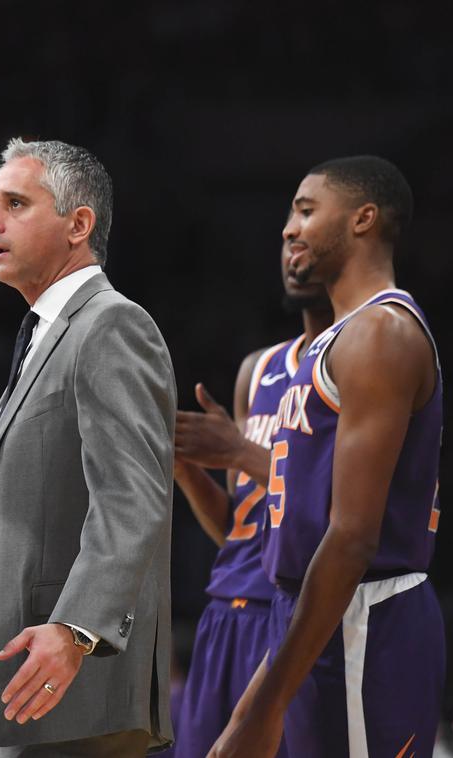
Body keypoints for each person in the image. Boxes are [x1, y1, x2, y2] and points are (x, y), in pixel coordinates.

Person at [0, 138, 175, 757]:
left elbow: (133, 501)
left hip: (77, 696)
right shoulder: (46, 335)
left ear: (78, 225)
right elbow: (15, 553)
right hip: (30, 695)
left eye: (15, 203)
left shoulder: (111, 325)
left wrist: (75, 629)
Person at [212, 156, 444, 758]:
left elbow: (350, 541)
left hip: (368, 617)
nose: (290, 227)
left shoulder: (380, 335)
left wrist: (262, 708)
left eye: (307, 209)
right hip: (312, 613)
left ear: (364, 219)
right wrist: (258, 698)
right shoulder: (329, 345)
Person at [171, 240, 332, 757]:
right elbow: (242, 529)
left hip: (289, 616)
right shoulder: (257, 371)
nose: (295, 247)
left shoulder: (358, 367)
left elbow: (340, 511)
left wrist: (239, 451)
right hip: (221, 615)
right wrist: (186, 467)